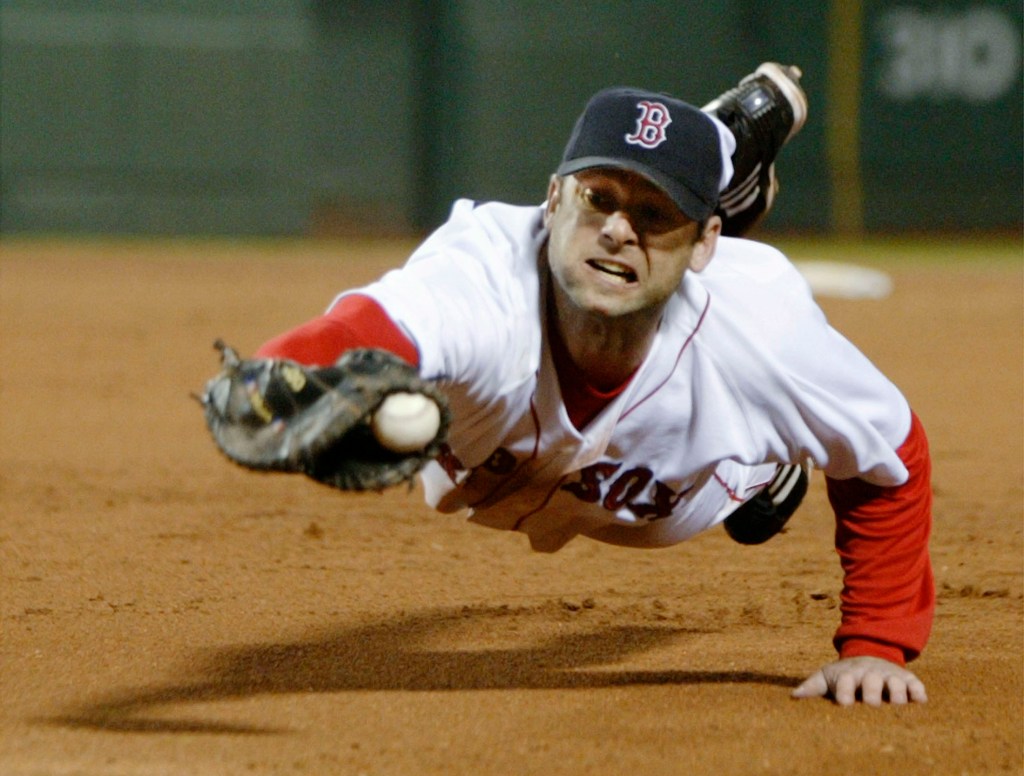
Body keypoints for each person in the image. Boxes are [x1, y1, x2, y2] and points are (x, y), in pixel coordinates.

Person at [247, 63, 933, 706]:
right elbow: (357, 332)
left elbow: (893, 453)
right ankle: (714, 153)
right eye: (596, 197)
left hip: (685, 488)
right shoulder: (480, 278)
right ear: (551, 199)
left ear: (707, 243)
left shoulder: (761, 333)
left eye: (654, 216)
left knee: (743, 431)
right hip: (487, 451)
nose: (613, 230)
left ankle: (766, 466)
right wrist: (285, 384)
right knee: (634, 254)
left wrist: (877, 642)